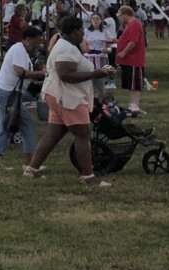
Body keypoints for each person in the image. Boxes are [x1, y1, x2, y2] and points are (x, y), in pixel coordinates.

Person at [26, 15, 115, 186]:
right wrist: (96, 74)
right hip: (67, 97)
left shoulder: (66, 46)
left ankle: (32, 169)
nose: (83, 34)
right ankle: (88, 177)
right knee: (82, 134)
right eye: (81, 30)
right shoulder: (65, 49)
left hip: (58, 95)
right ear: (74, 32)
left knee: (53, 134)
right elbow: (66, 75)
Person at [0, 26, 45, 170]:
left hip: (8, 92)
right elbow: (19, 71)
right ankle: (29, 163)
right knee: (24, 124)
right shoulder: (19, 49)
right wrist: (40, 74)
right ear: (28, 39)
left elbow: (23, 75)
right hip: (8, 93)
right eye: (37, 41)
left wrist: (36, 79)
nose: (38, 44)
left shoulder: (22, 50)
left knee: (5, 125)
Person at [115, 5, 147, 116]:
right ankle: (132, 105)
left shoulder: (135, 24)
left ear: (125, 15)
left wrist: (124, 52)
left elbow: (133, 42)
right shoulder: (129, 25)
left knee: (135, 85)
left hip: (134, 60)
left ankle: (135, 106)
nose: (119, 18)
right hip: (129, 60)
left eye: (120, 16)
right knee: (131, 84)